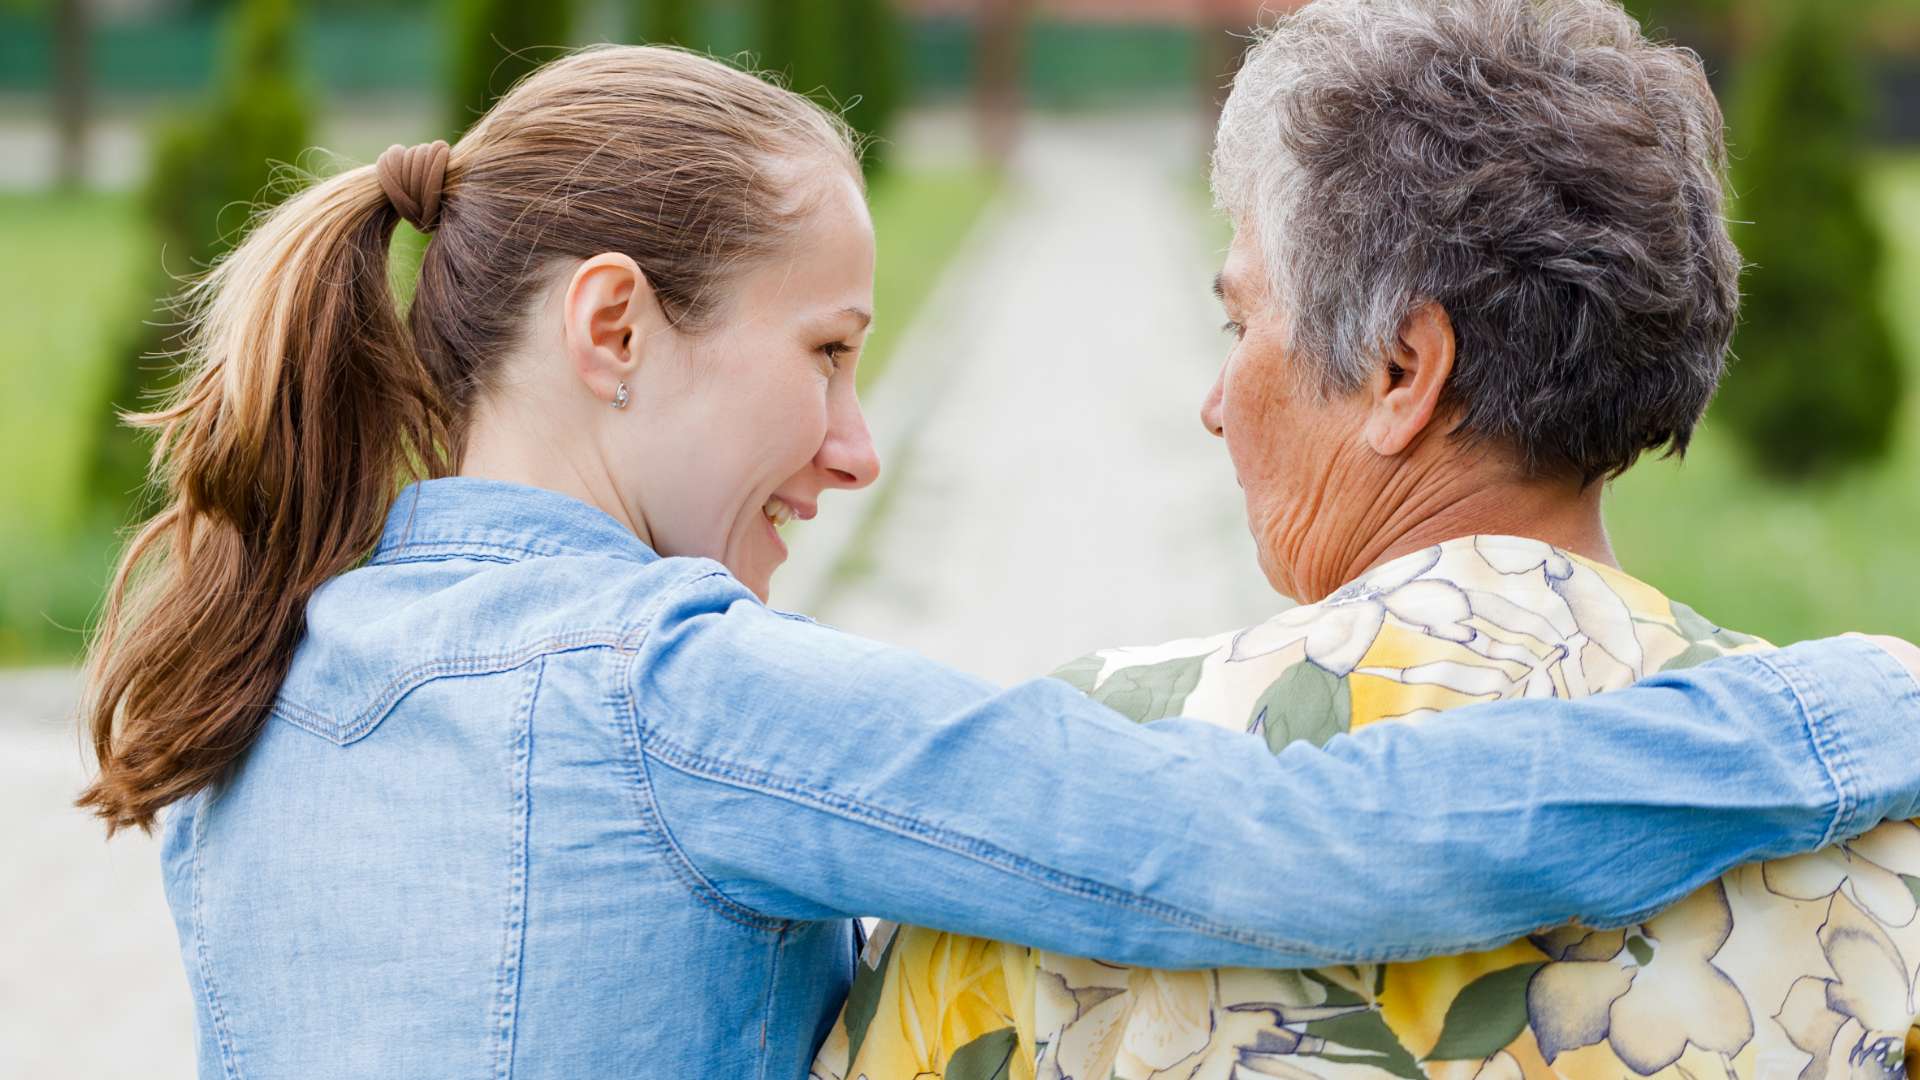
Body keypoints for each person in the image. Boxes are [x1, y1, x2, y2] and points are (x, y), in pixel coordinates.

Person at [74, 44, 1920, 1080]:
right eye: (825, 353)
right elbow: (1286, 850)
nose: (860, 444)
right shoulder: (680, 697)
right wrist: (1839, 717)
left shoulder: (242, 687)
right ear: (614, 328)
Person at [814, 3, 1920, 1079]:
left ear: (1401, 369)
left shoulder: (1086, 792)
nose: (1214, 400)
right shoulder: (1880, 823)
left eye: (1241, 323)